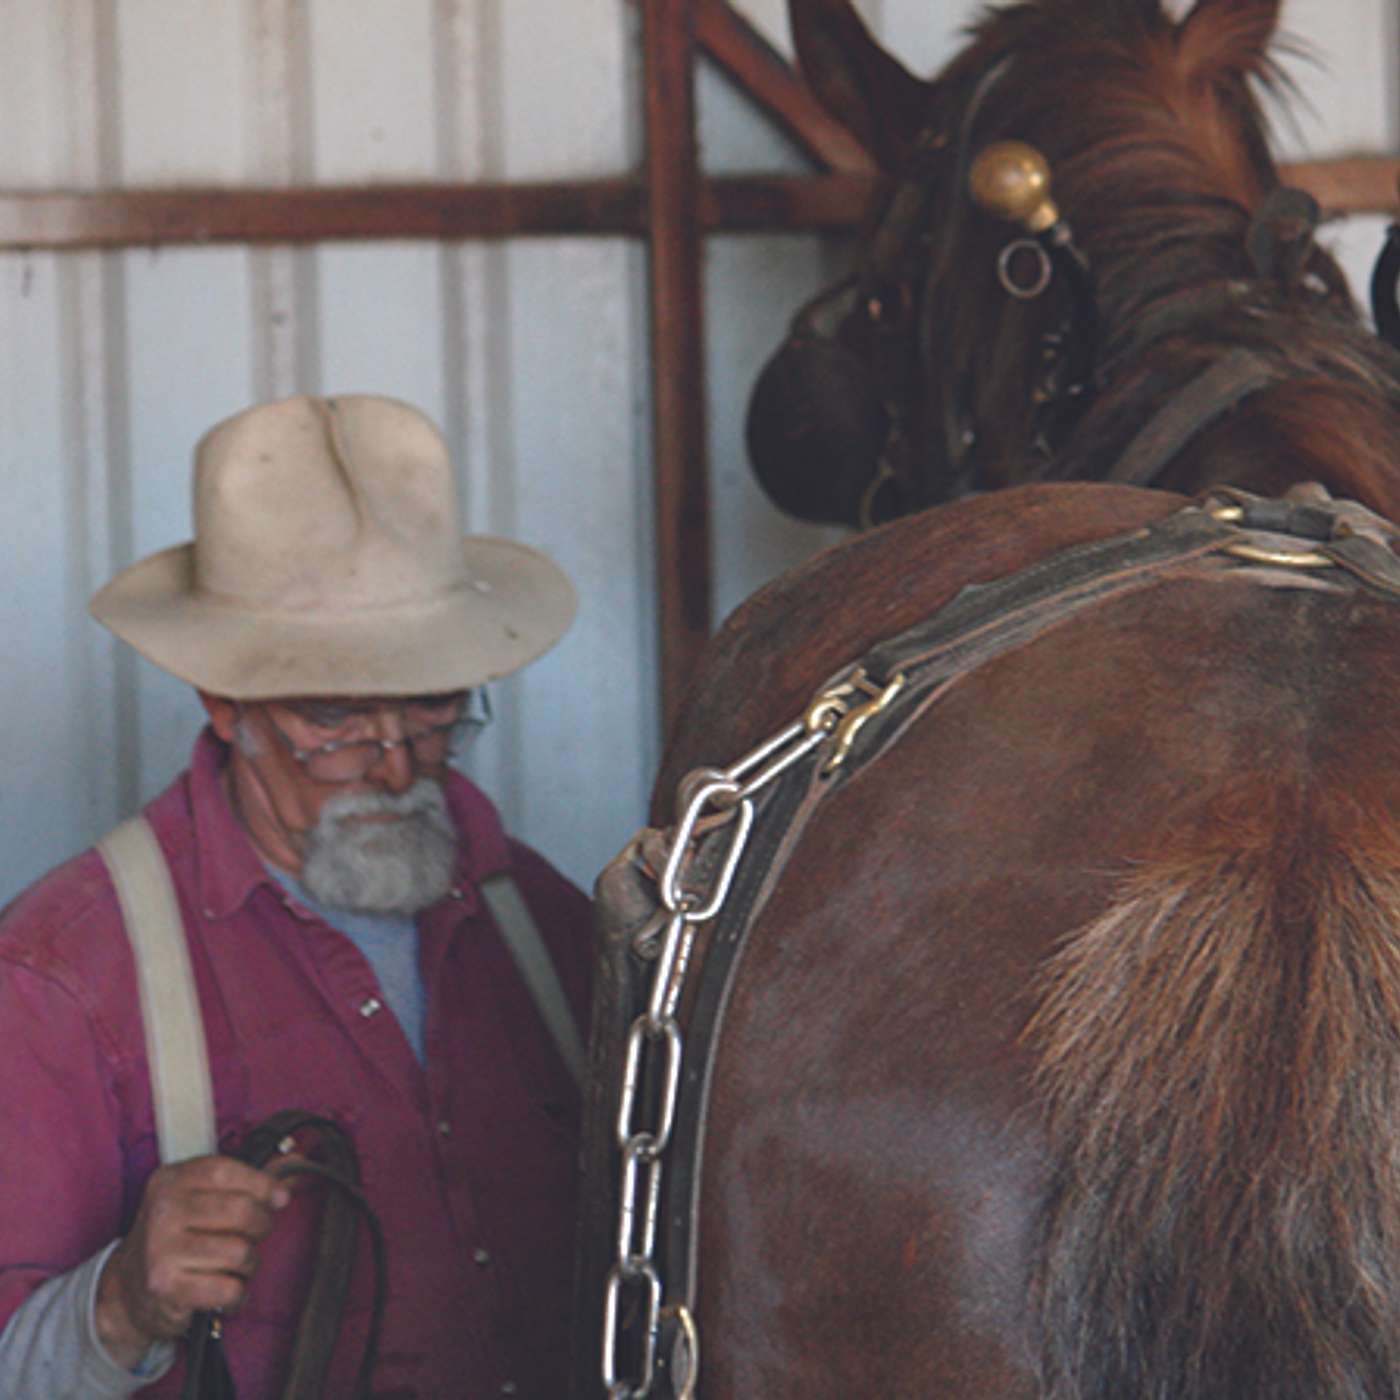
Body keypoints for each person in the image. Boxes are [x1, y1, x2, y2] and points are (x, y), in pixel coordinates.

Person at [0, 394, 594, 1397]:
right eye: (333, 713)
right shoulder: (64, 973)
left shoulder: (538, 918)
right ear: (224, 701)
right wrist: (121, 1304)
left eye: (434, 702)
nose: (399, 765)